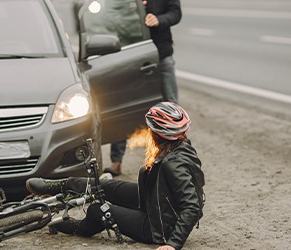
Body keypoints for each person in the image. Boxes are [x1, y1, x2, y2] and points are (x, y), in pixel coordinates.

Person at [27, 102, 205, 250]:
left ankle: (77, 226)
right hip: (155, 202)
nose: (148, 132)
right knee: (104, 185)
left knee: (97, 210)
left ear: (159, 134)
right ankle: (58, 186)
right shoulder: (178, 147)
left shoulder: (173, 164)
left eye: (150, 129)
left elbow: (192, 205)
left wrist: (173, 244)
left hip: (157, 227)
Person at [104, 0, 183, 176]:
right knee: (122, 105)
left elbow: (176, 12)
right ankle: (116, 161)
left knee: (170, 104)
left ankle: (175, 155)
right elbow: (109, 20)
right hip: (129, 55)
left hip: (161, 52)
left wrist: (159, 19)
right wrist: (132, 15)